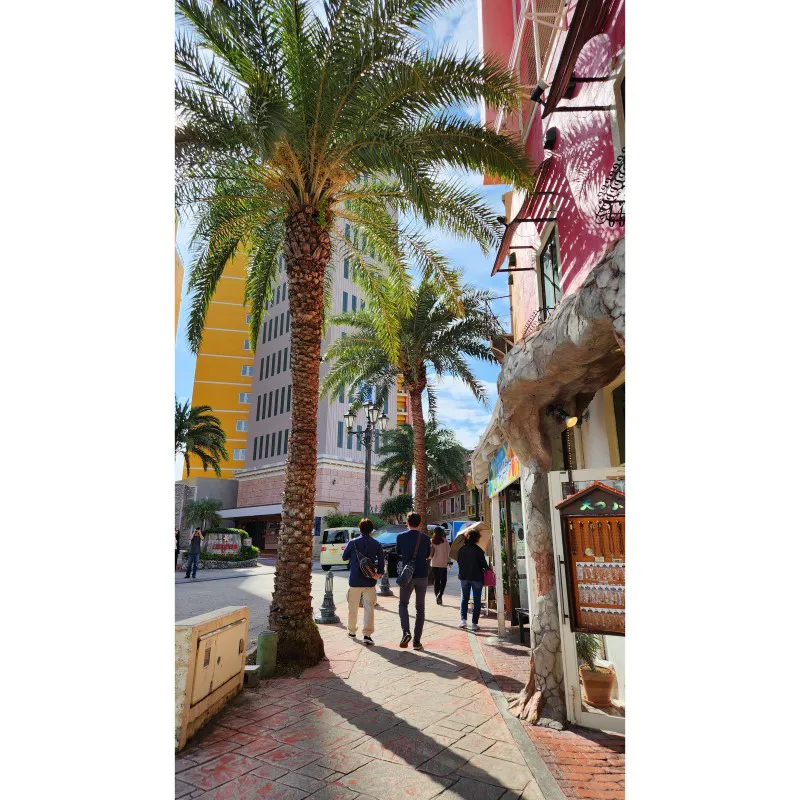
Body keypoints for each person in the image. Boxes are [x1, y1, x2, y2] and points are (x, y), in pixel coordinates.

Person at [342, 518, 384, 645]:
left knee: (352, 607)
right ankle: (367, 634)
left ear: (360, 529)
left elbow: (344, 557)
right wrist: (378, 574)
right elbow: (381, 561)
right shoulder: (376, 544)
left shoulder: (353, 543)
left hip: (355, 580)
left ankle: (352, 631)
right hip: (370, 580)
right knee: (369, 608)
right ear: (371, 530)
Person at [396, 511, 431, 649]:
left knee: (403, 604)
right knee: (420, 608)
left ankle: (406, 632)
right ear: (420, 523)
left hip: (407, 575)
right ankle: (417, 641)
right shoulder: (426, 538)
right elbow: (428, 554)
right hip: (422, 575)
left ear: (407, 523)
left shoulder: (401, 537)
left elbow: (398, 552)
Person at [457, 526, 489, 631]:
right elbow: (484, 566)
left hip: (464, 577)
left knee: (464, 599)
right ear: (477, 538)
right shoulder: (479, 551)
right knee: (477, 600)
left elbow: (459, 562)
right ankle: (474, 623)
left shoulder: (461, 550)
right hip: (476, 577)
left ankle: (463, 621)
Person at [429, 526, 451, 605]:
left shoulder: (432, 540)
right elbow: (449, 552)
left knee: (436, 581)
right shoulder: (445, 541)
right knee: (444, 580)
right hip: (443, 563)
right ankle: (440, 595)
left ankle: (438, 597)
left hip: (434, 563)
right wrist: (449, 561)